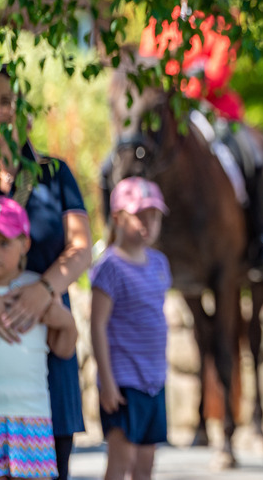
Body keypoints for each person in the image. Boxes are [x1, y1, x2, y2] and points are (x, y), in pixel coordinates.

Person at [0, 65, 92, 480]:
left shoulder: (53, 173)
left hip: (47, 342)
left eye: (5, 101)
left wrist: (44, 290)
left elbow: (80, 247)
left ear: (20, 108)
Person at [136, 5, 263, 273]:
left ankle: (260, 238)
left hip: (214, 108)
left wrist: (183, 89)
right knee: (122, 159)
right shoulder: (158, 19)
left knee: (251, 155)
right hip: (167, 115)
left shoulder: (221, 18)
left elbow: (219, 71)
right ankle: (115, 239)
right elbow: (146, 68)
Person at [0, 196, 78, 480]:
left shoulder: (38, 290)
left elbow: (63, 349)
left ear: (24, 244)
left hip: (30, 417)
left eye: (4, 243)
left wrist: (65, 322)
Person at [89, 177, 172, 480]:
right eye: (139, 214)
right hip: (123, 381)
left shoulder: (160, 263)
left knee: (146, 465)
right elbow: (97, 325)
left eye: (154, 215)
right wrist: (107, 382)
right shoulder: (109, 267)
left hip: (154, 380)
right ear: (117, 218)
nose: (148, 222)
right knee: (120, 461)